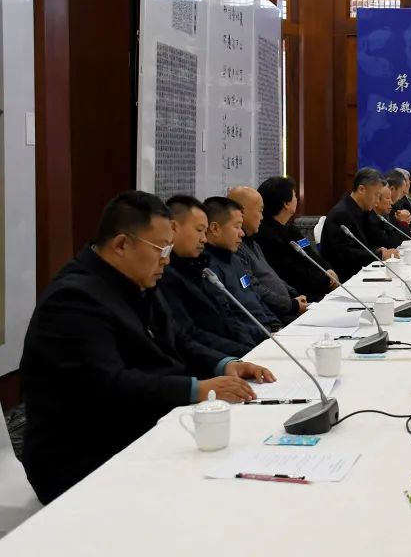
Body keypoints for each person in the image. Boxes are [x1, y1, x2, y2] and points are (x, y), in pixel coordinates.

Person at [20, 191, 275, 504]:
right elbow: (109, 386)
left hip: (143, 424)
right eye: (161, 249)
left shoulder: (138, 280)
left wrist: (224, 364)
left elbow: (180, 338)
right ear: (121, 244)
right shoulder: (74, 300)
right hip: (84, 455)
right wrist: (197, 389)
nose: (166, 259)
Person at [158, 196, 260, 356]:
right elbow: (190, 334)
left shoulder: (199, 267)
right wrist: (239, 356)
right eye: (199, 230)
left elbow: (227, 316)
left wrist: (250, 347)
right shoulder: (165, 276)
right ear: (173, 227)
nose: (204, 239)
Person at [253, 176, 338, 303]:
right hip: (298, 295)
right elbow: (291, 273)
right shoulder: (267, 237)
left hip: (317, 285)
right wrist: (325, 280)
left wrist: (327, 269)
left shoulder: (290, 228)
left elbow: (310, 253)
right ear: (286, 204)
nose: (296, 199)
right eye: (294, 196)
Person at [228, 186, 307, 321]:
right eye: (260, 211)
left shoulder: (254, 243)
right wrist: (292, 305)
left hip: (286, 308)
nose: (262, 217)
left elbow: (271, 275)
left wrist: (293, 294)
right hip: (275, 316)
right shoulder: (237, 249)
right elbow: (255, 289)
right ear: (242, 211)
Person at [202, 196, 280, 332]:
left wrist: (275, 324)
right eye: (237, 226)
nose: (242, 233)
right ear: (215, 228)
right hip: (252, 337)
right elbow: (228, 318)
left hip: (267, 330)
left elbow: (255, 297)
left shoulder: (234, 259)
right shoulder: (208, 268)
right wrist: (264, 333)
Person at [322, 168, 399, 281]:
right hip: (344, 278)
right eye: (376, 195)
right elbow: (346, 254)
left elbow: (368, 243)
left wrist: (378, 251)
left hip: (360, 271)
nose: (377, 201)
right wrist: (380, 255)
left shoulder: (362, 210)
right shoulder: (342, 214)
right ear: (361, 189)